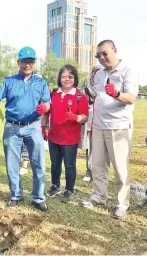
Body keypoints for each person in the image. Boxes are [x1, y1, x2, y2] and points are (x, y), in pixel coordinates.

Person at [81, 40, 138, 219]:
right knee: (98, 166)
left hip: (118, 127)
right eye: (98, 55)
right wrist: (92, 74)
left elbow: (131, 97)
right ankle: (99, 197)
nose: (102, 58)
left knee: (120, 168)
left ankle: (122, 203)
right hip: (98, 125)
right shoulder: (99, 73)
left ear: (115, 50)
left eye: (105, 53)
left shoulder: (127, 71)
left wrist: (116, 94)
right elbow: (93, 93)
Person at [0, 46, 51, 211]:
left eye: (31, 61)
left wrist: (45, 107)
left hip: (33, 126)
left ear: (34, 63)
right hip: (12, 127)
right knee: (12, 163)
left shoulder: (40, 82)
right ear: (18, 62)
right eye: (24, 61)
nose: (27, 65)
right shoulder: (8, 81)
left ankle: (38, 197)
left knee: (38, 163)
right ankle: (15, 195)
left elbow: (48, 102)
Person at [42, 65, 88, 203]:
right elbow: (46, 112)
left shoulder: (80, 96)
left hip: (70, 137)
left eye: (70, 76)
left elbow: (85, 117)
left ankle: (69, 189)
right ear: (59, 78)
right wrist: (43, 126)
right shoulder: (53, 93)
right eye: (63, 76)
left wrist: (75, 117)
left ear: (75, 78)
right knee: (55, 163)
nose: (66, 79)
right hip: (54, 136)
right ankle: (55, 186)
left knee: (69, 165)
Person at [81, 65, 101, 182]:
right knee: (91, 148)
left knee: (102, 150)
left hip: (103, 121)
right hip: (90, 121)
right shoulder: (87, 88)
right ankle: (89, 172)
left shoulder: (105, 85)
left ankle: (100, 173)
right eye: (95, 73)